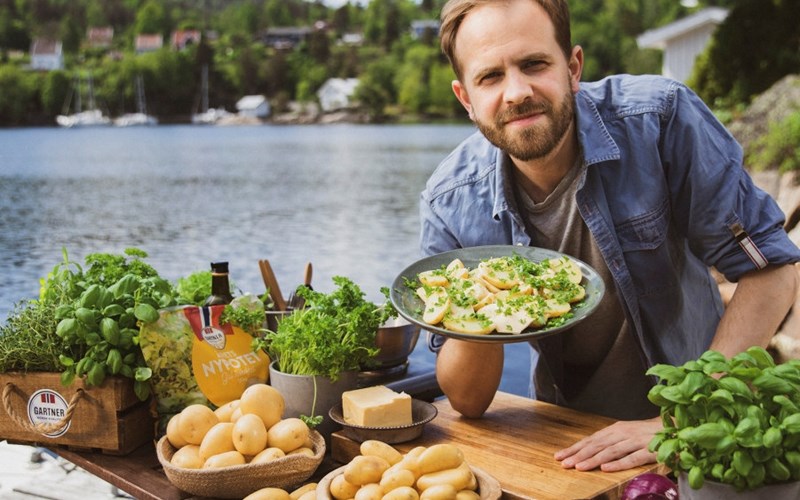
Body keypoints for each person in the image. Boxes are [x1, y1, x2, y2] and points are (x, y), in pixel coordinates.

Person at [420, 0, 800, 473]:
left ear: (573, 67)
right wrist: (474, 297)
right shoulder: (450, 199)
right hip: (568, 444)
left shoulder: (661, 120)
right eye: (490, 77)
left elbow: (773, 269)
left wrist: (682, 418)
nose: (516, 92)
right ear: (466, 99)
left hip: (705, 432)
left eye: (534, 64)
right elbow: (469, 401)